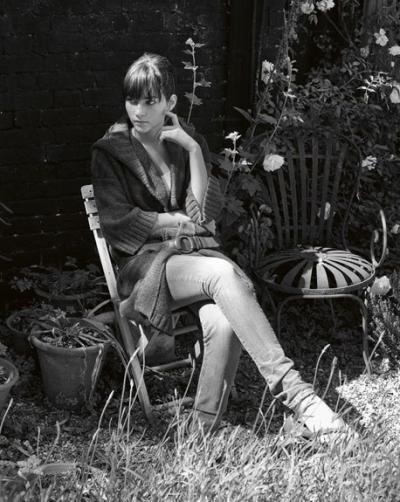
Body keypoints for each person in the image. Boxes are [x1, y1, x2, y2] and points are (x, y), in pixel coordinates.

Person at [91, 53, 347, 437]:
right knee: (223, 273)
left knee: (223, 320)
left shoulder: (187, 141)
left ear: (169, 103)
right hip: (145, 266)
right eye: (132, 100)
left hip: (194, 255)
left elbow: (200, 215)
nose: (138, 111)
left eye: (149, 101)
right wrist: (171, 221)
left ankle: (203, 429)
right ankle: (299, 397)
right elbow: (117, 222)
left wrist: (194, 151)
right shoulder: (109, 152)